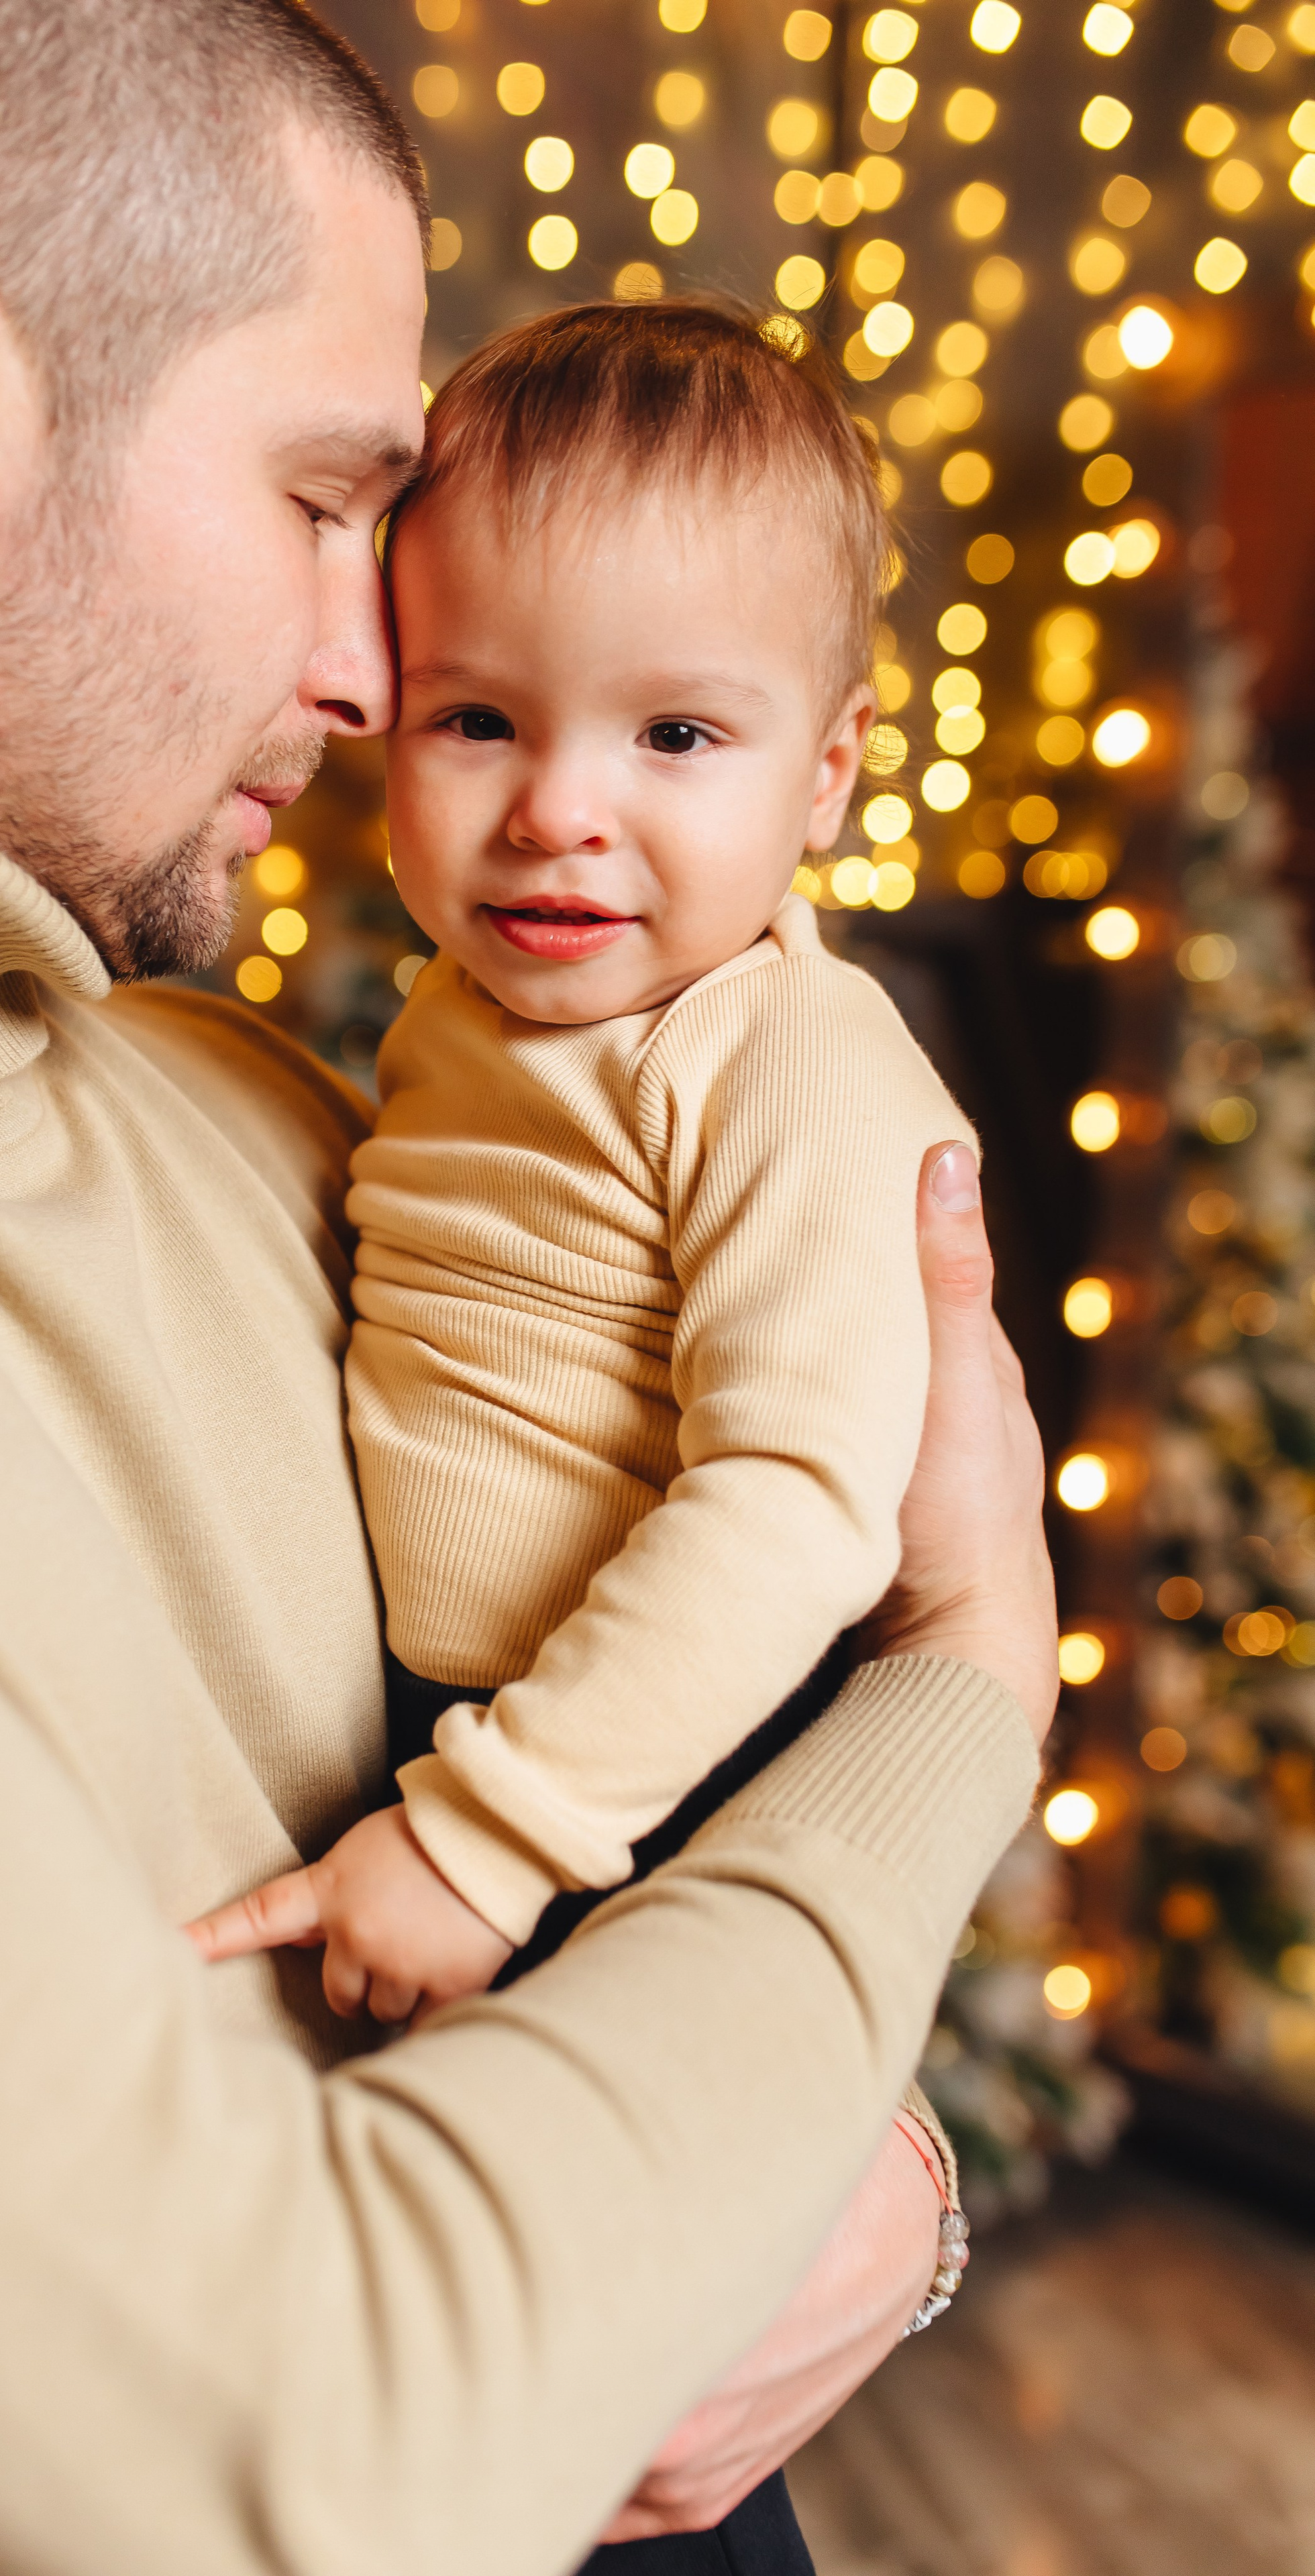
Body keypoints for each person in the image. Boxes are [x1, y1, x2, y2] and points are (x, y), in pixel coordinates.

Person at [0, 6, 1055, 2575]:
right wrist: (964, 1681)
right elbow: (335, 2438)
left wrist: (864, 2177)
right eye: (319, 496)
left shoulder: (256, 1096)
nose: (384, 682)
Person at [191, 300, 979, 2044]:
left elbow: (795, 1502)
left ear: (830, 771)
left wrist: (494, 1840)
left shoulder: (786, 1057)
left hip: (653, 1772)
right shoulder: (463, 1018)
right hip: (457, 1727)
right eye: (477, 719)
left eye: (676, 739)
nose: (559, 809)